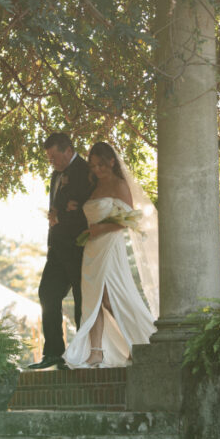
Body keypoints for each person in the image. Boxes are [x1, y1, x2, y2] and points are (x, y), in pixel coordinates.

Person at [63, 142, 155, 369]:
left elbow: (130, 220)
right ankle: (96, 353)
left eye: (100, 165)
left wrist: (100, 229)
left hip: (110, 248)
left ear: (112, 162)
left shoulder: (119, 185)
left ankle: (141, 342)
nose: (96, 170)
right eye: (93, 166)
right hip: (92, 248)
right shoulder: (94, 187)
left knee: (110, 299)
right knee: (93, 300)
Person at [29, 132, 93, 370]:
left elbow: (91, 206)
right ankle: (54, 352)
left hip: (78, 247)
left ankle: (84, 352)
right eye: (48, 158)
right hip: (57, 248)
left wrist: (63, 215)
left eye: (54, 156)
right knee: (47, 293)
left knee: (81, 301)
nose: (51, 161)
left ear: (67, 150)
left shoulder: (86, 171)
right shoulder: (56, 174)